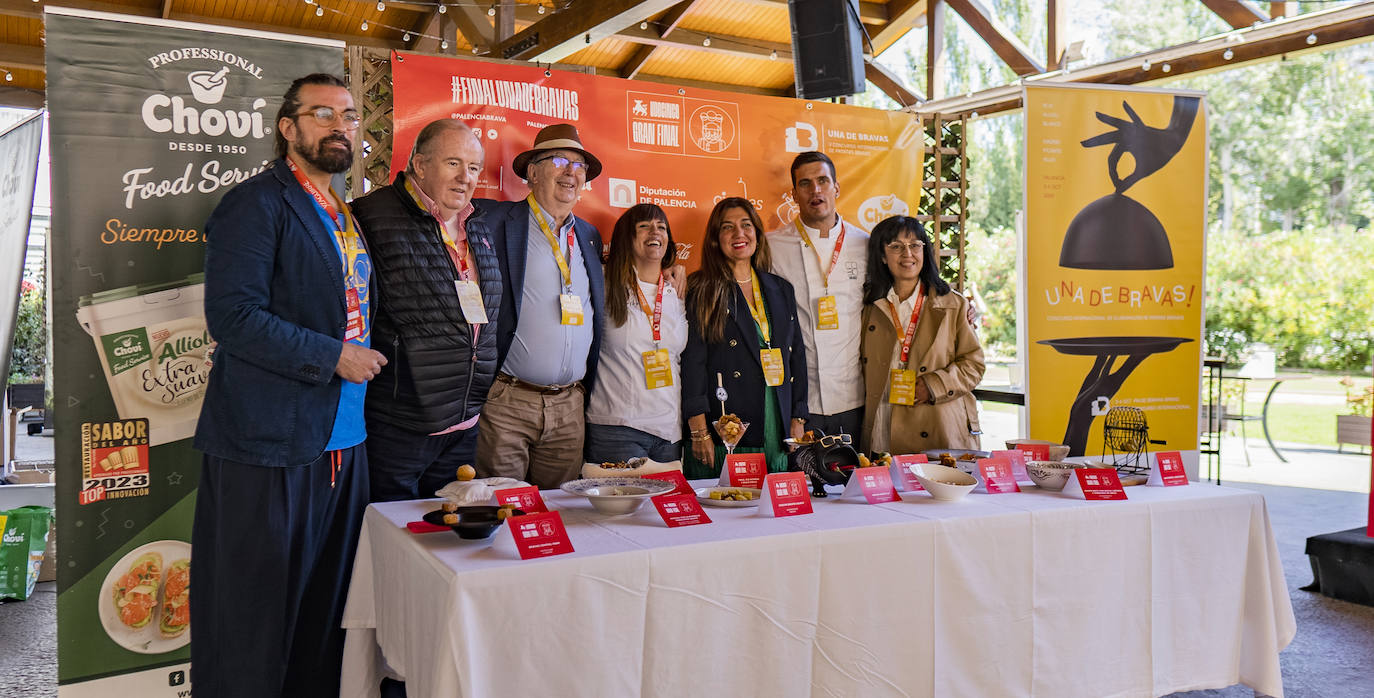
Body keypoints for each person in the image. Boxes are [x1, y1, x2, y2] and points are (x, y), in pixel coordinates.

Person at [192, 73, 385, 698]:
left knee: (322, 617)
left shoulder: (341, 212)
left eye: (350, 116)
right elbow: (233, 318)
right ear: (288, 127)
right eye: (323, 114)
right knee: (249, 619)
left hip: (343, 438)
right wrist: (334, 356)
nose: (340, 126)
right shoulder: (256, 203)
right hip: (268, 442)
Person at [350, 119, 501, 501]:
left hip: (464, 426)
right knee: (390, 539)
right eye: (453, 163)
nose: (464, 177)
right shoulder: (370, 217)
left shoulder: (478, 224)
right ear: (419, 165)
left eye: (473, 168)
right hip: (399, 428)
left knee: (444, 543)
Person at [476, 124, 606, 489]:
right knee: (502, 509)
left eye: (580, 166)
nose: (572, 173)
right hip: (508, 402)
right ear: (532, 172)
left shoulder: (589, 236)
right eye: (561, 161)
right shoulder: (494, 221)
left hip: (569, 408)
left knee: (560, 516)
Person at [682, 197, 808, 479]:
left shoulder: (780, 288)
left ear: (758, 233)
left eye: (746, 225)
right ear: (716, 239)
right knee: (726, 505)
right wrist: (699, 430)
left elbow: (797, 355)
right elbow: (692, 363)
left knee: (771, 510)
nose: (739, 234)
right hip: (726, 423)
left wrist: (798, 417)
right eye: (728, 227)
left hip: (775, 417)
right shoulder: (702, 288)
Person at [858, 215, 985, 455]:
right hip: (882, 427)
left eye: (915, 245)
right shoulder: (870, 307)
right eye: (896, 246)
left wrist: (933, 385)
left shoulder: (952, 304)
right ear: (883, 257)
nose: (907, 254)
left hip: (937, 426)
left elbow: (974, 366)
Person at [767, 151, 869, 439]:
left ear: (836, 187)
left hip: (853, 397)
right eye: (805, 183)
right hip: (799, 400)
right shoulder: (771, 246)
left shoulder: (865, 244)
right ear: (793, 194)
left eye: (823, 181)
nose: (816, 190)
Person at [584, 204, 688, 463]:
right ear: (625, 238)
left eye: (662, 227)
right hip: (617, 428)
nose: (655, 231)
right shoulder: (603, 285)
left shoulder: (676, 292)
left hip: (669, 433)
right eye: (644, 226)